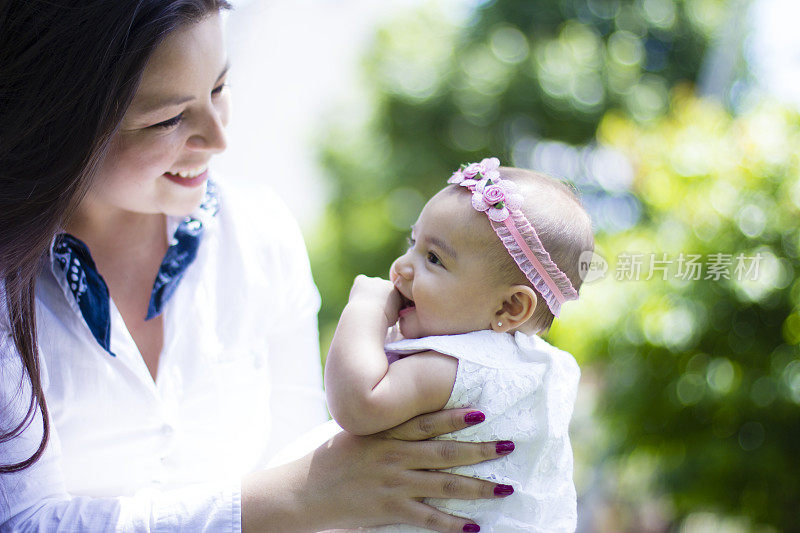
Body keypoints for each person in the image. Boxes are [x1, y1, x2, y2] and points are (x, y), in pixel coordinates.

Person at [0, 3, 520, 532]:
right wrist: (307, 493)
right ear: (55, 120)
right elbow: (20, 521)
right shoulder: (9, 285)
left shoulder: (259, 233)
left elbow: (295, 450)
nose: (219, 138)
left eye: (218, 88)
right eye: (168, 118)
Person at [325, 159, 595, 531]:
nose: (401, 267)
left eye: (433, 258)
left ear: (509, 307)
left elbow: (358, 403)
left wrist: (365, 307)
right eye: (412, 242)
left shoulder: (456, 366)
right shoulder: (537, 367)